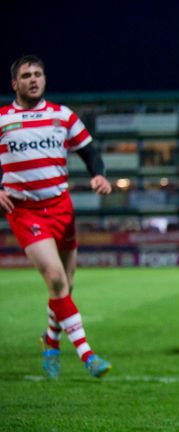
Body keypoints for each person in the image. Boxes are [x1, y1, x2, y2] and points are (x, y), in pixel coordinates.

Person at [0, 55, 112, 378]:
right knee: (56, 279)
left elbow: (89, 151)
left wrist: (99, 174)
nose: (33, 79)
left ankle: (50, 341)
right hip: (25, 211)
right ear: (15, 83)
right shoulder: (4, 119)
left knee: (66, 284)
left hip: (61, 208)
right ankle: (87, 355)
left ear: (45, 79)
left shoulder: (62, 115)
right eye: (26, 75)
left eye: (38, 74)